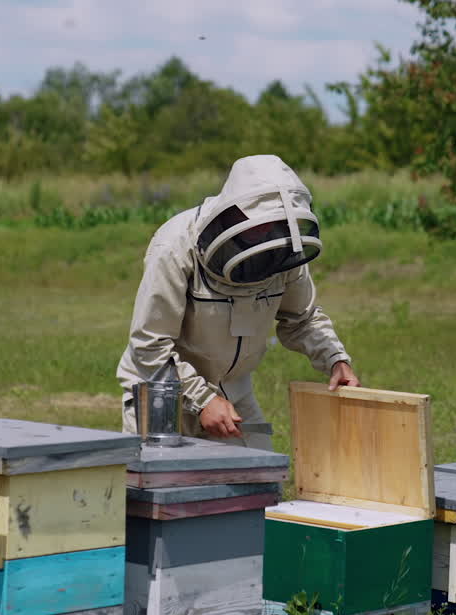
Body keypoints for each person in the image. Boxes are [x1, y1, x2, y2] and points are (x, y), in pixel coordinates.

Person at [116, 154, 359, 450]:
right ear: (235, 211)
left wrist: (336, 359)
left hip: (234, 396)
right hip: (162, 395)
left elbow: (302, 319)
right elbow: (149, 344)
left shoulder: (285, 246)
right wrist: (203, 400)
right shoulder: (174, 247)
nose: (268, 231)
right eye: (262, 223)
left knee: (260, 482)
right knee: (168, 490)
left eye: (276, 224)